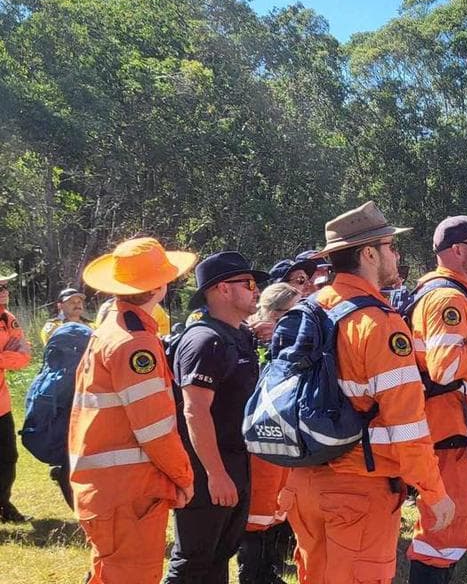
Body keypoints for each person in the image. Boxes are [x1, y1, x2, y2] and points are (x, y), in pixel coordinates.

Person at [281, 202, 454, 584]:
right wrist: (433, 491)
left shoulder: (310, 308)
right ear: (369, 254)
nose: (397, 255)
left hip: (303, 482)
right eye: (391, 246)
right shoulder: (379, 324)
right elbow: (406, 425)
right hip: (358, 491)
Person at [69, 237, 197, 583]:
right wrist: (184, 477)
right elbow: (154, 428)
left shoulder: (111, 329)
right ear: (159, 286)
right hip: (129, 493)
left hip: (110, 489)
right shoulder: (135, 342)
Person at [407, 215, 467, 582]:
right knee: (441, 534)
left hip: (456, 429)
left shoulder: (451, 294)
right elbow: (445, 369)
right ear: (459, 250)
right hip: (451, 432)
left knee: (449, 532)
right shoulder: (448, 298)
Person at [164, 252, 269, 582]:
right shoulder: (204, 341)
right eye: (248, 283)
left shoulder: (236, 335)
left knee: (220, 554)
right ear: (222, 289)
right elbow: (194, 410)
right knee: (193, 561)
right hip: (208, 465)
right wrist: (215, 473)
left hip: (236, 460)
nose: (256, 290)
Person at [238, 282, 301, 584]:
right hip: (261, 436)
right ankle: (252, 574)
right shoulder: (252, 337)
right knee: (258, 512)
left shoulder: (290, 337)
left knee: (278, 507)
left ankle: (268, 570)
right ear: (275, 313)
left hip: (284, 433)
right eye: (293, 312)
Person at [0, 271, 32, 523]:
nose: (4, 291)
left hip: (2, 404)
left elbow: (24, 355)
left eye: (5, 286)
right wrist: (6, 356)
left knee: (8, 456)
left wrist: (3, 358)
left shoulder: (7, 318)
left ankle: (3, 505)